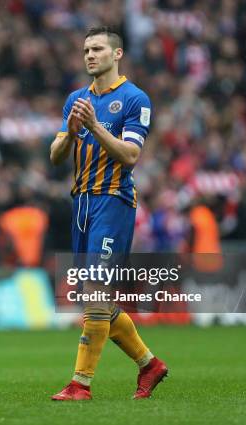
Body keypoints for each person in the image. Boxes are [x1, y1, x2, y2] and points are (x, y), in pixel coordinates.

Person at [49, 26, 168, 401]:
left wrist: (95, 127)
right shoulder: (76, 99)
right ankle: (149, 364)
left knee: (96, 292)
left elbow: (131, 156)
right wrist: (69, 133)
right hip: (81, 204)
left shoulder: (135, 99)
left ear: (117, 54)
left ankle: (80, 383)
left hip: (113, 201)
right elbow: (55, 156)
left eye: (97, 49)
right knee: (94, 298)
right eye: (86, 49)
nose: (89, 55)